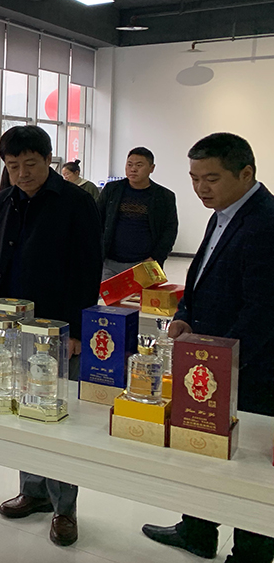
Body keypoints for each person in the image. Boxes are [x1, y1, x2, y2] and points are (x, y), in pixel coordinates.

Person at [141, 133, 274, 563]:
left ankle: (252, 553)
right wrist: (185, 314)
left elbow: (263, 308)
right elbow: (201, 276)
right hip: (210, 358)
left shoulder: (265, 222)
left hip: (251, 367)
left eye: (211, 179)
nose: (201, 188)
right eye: (195, 178)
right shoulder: (224, 214)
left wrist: (226, 360)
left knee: (247, 465)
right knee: (201, 446)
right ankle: (197, 530)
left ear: (246, 173)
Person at [0, 125, 102, 547]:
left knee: (56, 416)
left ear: (48, 160)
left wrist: (76, 329)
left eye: (30, 164)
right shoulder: (4, 201)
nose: (22, 174)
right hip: (11, 324)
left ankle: (64, 507)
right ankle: (32, 491)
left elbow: (88, 269)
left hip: (56, 328)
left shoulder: (76, 203)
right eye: (13, 166)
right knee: (21, 408)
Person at [97, 147, 178, 280]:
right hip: (110, 262)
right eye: (129, 165)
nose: (133, 169)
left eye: (139, 165)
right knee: (106, 293)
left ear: (152, 168)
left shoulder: (164, 196)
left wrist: (156, 257)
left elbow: (170, 230)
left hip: (145, 263)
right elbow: (97, 219)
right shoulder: (112, 189)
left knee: (143, 295)